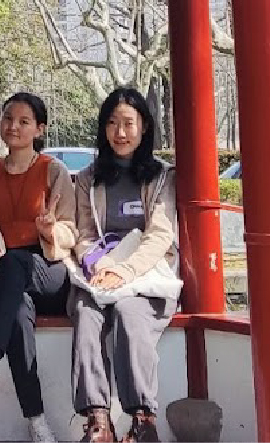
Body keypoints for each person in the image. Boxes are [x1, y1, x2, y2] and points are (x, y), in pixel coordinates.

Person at [0, 93, 79, 443]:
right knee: (16, 313)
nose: (14, 126)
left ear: (39, 129)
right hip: (8, 273)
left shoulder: (53, 171)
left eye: (24, 121)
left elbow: (71, 232)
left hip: (49, 268)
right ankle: (37, 421)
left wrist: (50, 229)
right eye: (8, 118)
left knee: (15, 267)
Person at [64, 88, 178, 443]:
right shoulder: (87, 178)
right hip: (100, 274)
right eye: (112, 123)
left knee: (130, 314)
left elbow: (160, 236)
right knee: (85, 312)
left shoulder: (162, 177)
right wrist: (95, 264)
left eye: (128, 123)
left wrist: (124, 271)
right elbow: (82, 233)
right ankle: (98, 421)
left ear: (144, 127)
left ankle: (143, 420)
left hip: (146, 276)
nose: (120, 132)